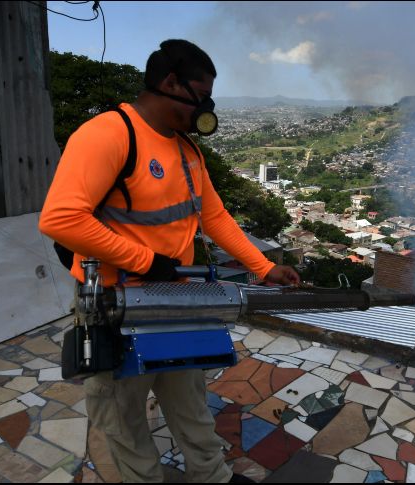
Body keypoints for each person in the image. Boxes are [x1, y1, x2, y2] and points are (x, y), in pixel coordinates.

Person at [39, 39, 300, 483]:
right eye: (200, 95)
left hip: (176, 299)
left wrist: (264, 266)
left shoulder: (186, 150)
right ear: (170, 83)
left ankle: (210, 475)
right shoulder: (108, 134)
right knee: (121, 413)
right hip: (112, 304)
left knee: (189, 400)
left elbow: (213, 216)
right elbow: (60, 219)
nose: (206, 107)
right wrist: (144, 260)